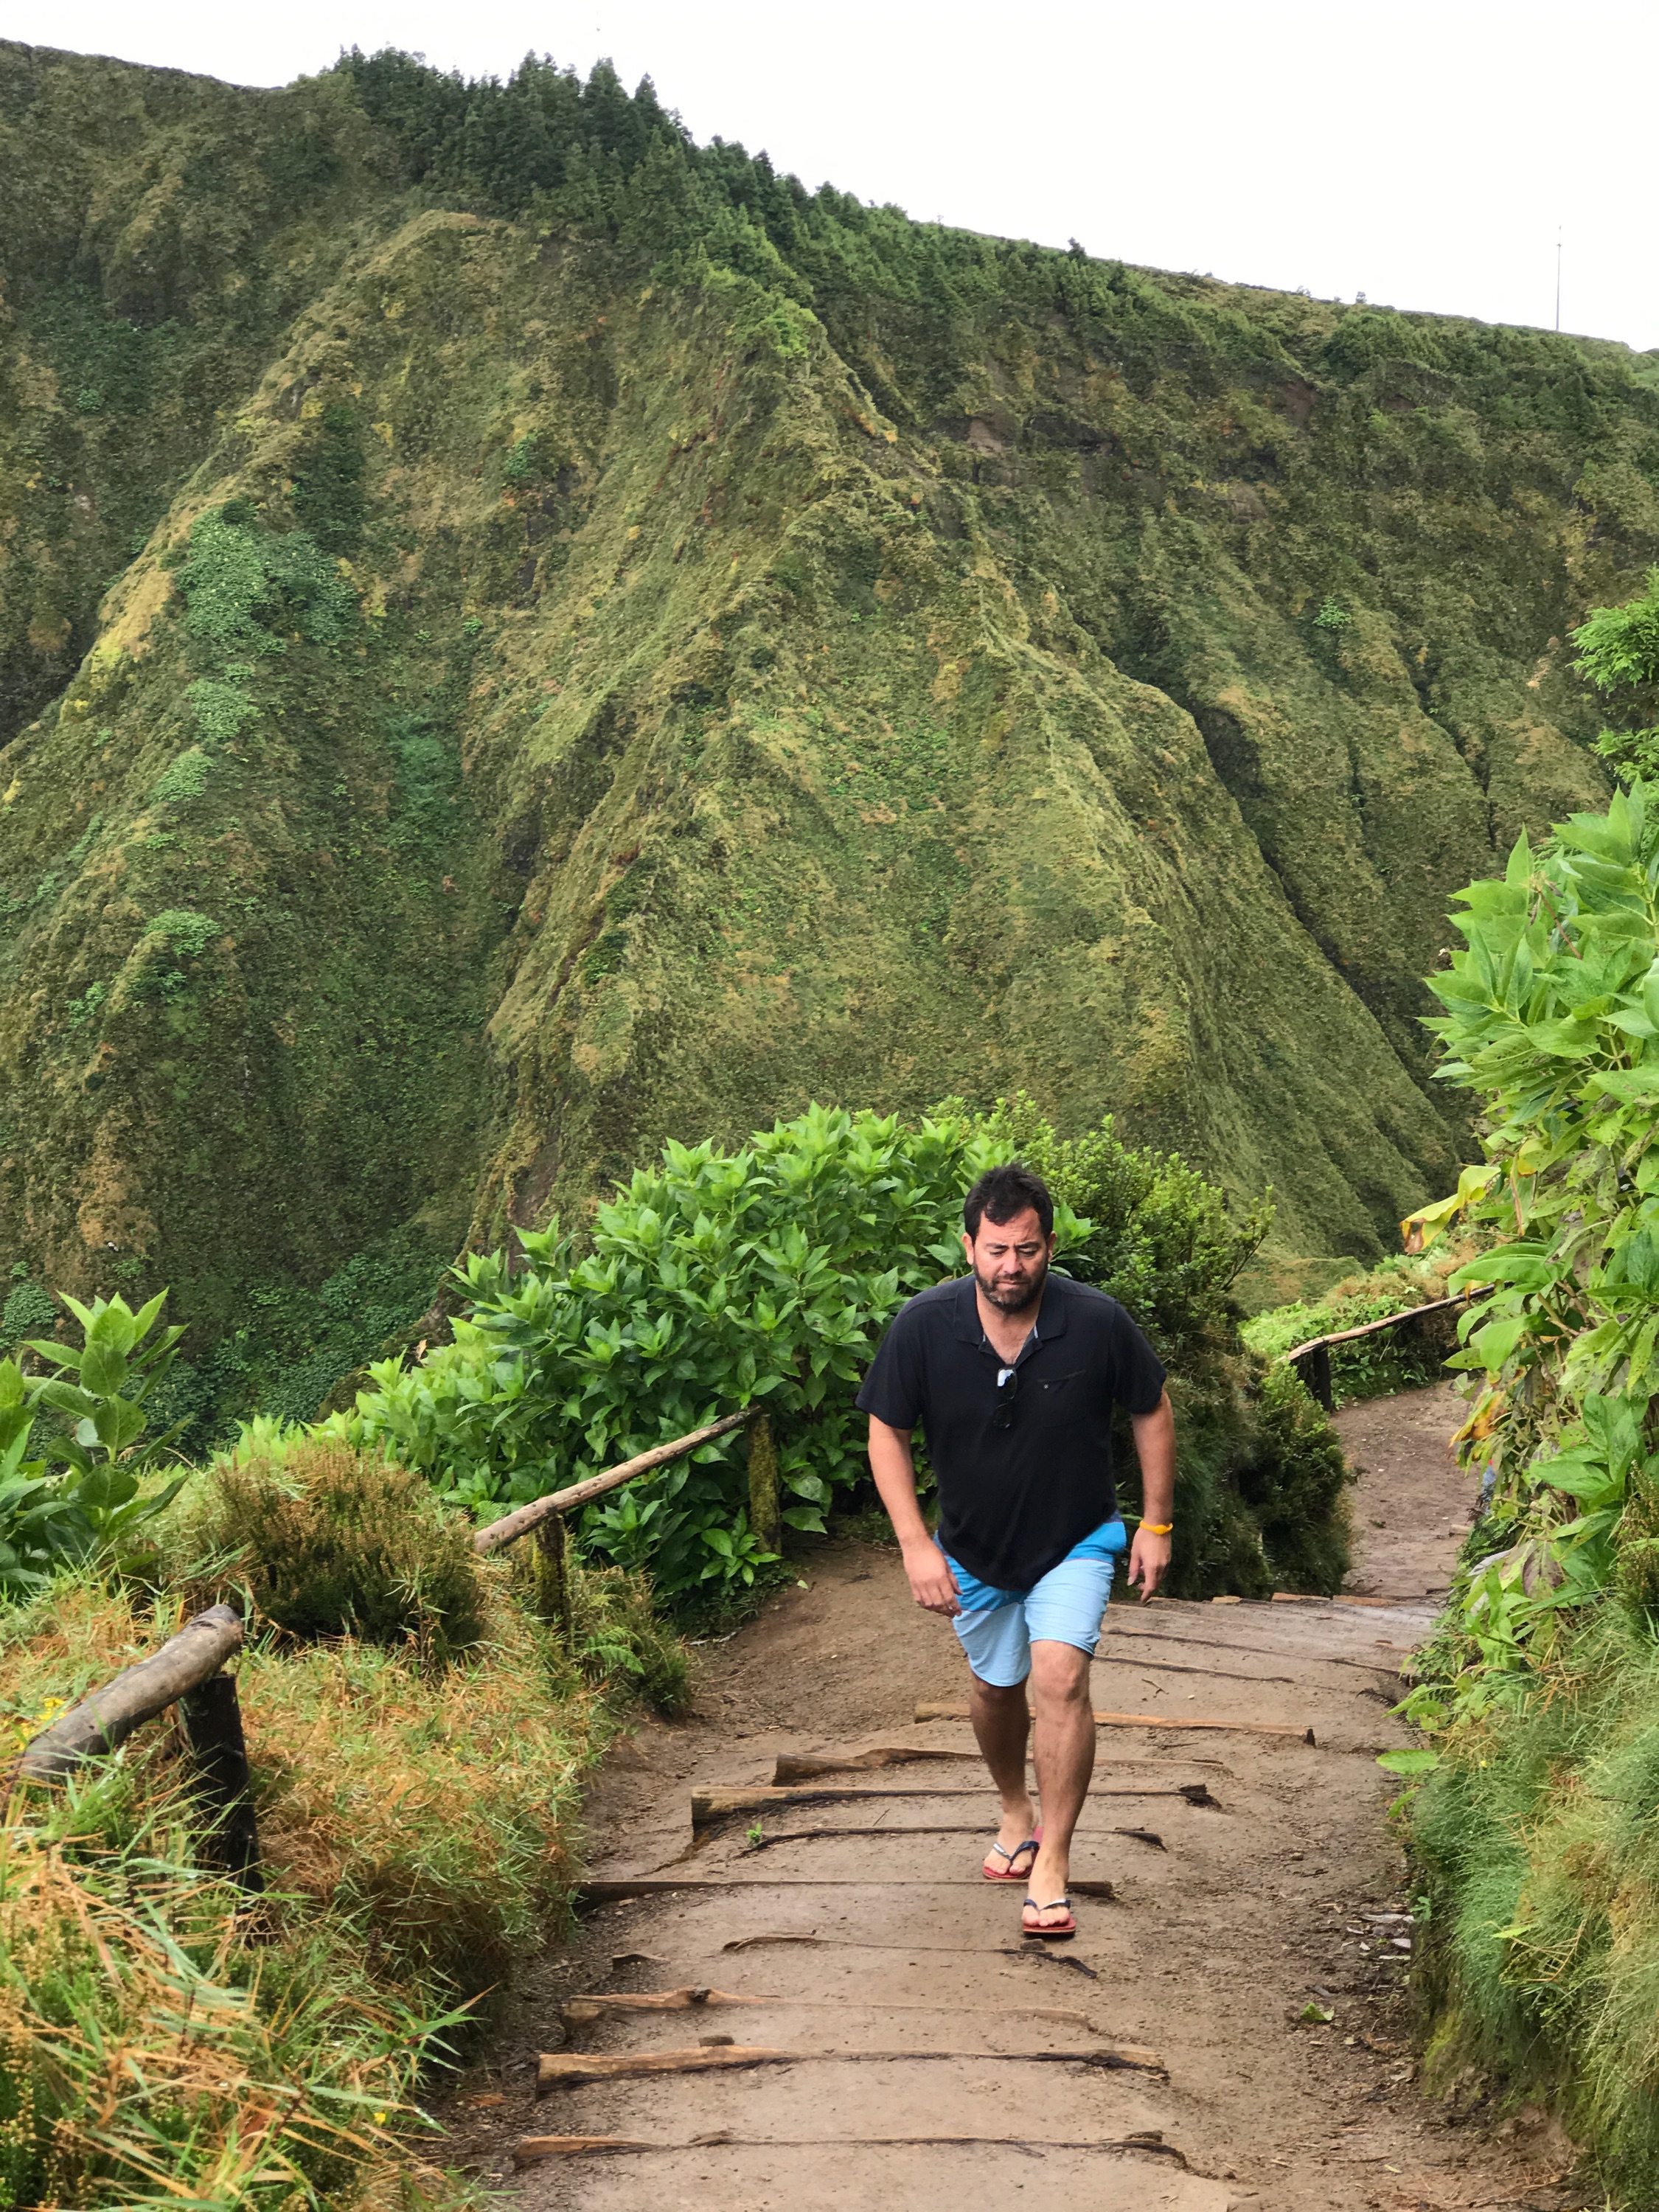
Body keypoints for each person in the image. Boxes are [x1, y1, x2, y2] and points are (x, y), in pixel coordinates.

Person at [856, 1161, 1175, 1940]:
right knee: (996, 1690)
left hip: (1076, 1538)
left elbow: (1152, 1408)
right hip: (972, 1547)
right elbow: (885, 1431)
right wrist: (914, 1547)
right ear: (969, 1246)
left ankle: (1054, 1858)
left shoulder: (1096, 1320)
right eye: (997, 1250)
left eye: (1027, 1250)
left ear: (1050, 1246)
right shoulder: (923, 1326)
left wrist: (1156, 1524)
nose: (1012, 1267)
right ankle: (1014, 1806)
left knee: (1060, 1680)